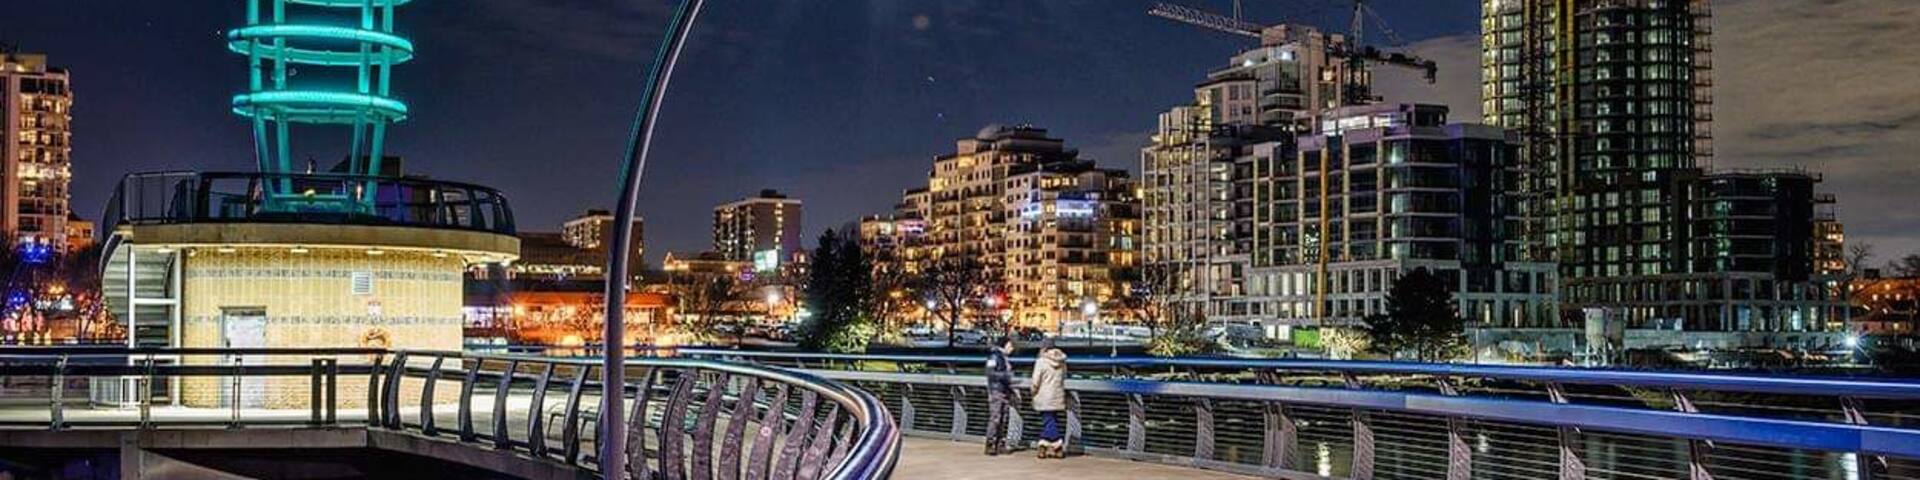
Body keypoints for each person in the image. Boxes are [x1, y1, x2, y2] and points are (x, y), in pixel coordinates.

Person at [1029, 336, 1069, 459]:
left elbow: (1035, 381)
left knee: (1048, 421)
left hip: (1044, 396)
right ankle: (1044, 446)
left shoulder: (1041, 361)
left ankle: (1057, 445)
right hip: (1057, 395)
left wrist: (1033, 392)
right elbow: (1064, 377)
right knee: (1051, 420)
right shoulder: (1062, 361)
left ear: (1044, 348)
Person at [983, 336, 1016, 456]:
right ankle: (990, 443)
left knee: (1004, 417)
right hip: (996, 390)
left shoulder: (1004, 358)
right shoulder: (995, 356)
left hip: (1004, 390)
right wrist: (1005, 376)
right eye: (1010, 345)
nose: (1012, 348)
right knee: (996, 417)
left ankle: (1000, 443)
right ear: (1005, 345)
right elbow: (989, 372)